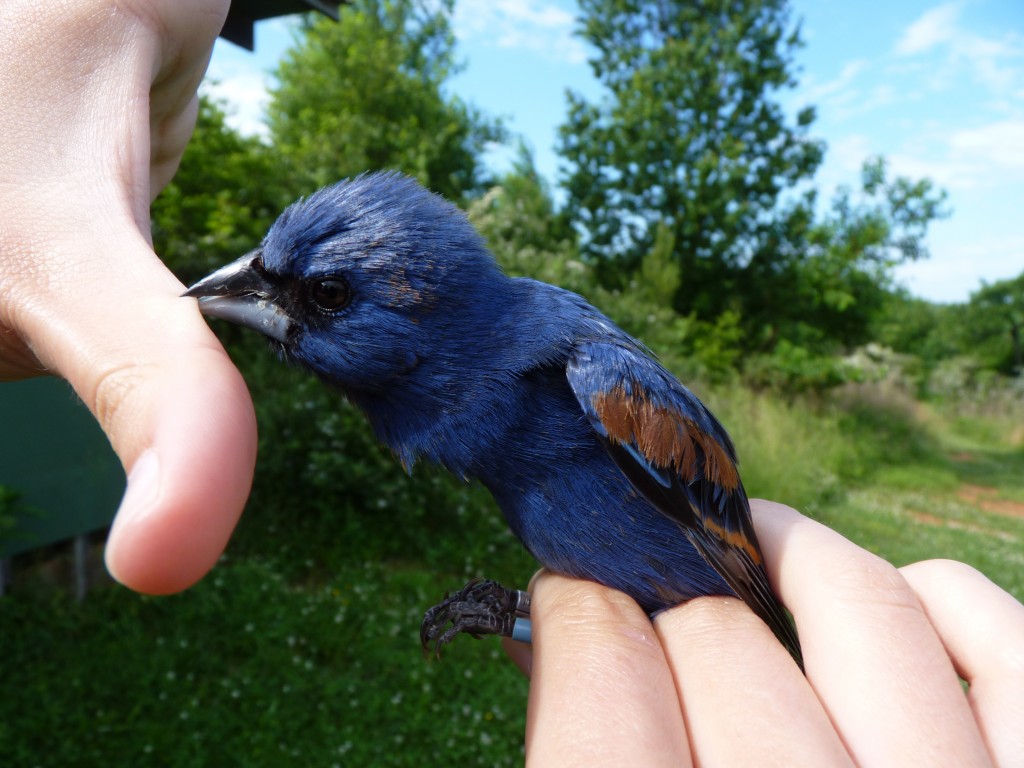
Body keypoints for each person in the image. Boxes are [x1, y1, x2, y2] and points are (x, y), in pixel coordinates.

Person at [1, 2, 1020, 765]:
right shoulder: (459, 400)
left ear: (418, 319)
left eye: (312, 293)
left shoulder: (587, 377)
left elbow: (724, 572)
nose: (247, 292)